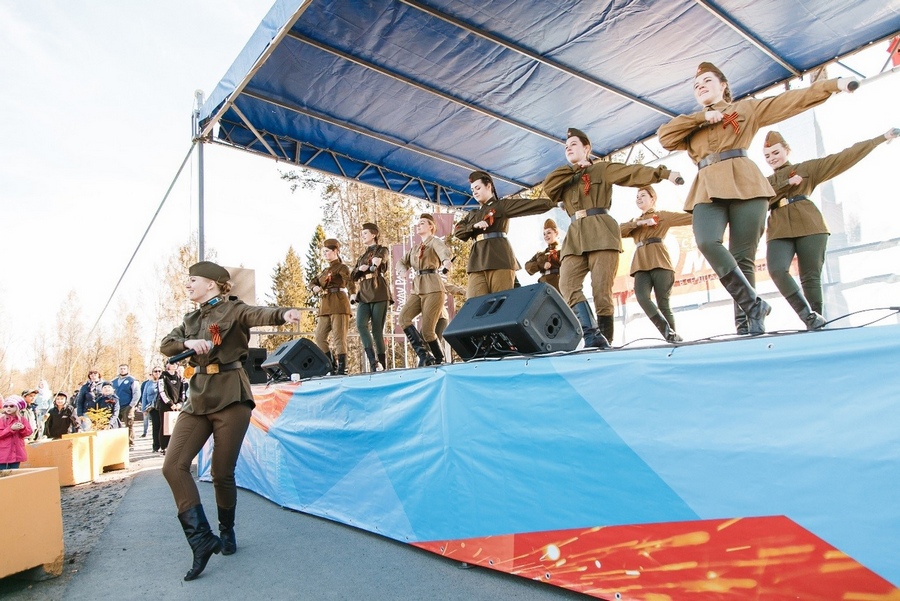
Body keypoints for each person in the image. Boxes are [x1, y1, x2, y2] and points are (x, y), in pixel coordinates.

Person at [657, 62, 857, 335]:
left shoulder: (745, 109)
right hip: (707, 187)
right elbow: (665, 136)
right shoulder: (691, 124)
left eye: (707, 81)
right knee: (706, 241)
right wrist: (703, 118)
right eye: (696, 85)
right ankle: (755, 306)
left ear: (723, 85)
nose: (701, 86)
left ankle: (754, 325)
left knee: (743, 259)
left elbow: (788, 101)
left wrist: (832, 86)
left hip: (746, 184)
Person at [160, 260, 301, 581]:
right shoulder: (190, 319)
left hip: (230, 395)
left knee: (223, 472)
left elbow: (259, 313)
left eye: (192, 280)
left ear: (211, 284)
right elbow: (165, 345)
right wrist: (187, 343)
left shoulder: (233, 310)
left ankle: (226, 531)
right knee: (173, 466)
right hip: (198, 397)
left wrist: (284, 314)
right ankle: (201, 539)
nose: (187, 285)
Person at [543, 127, 682, 348]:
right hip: (575, 236)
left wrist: (663, 174)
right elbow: (548, 187)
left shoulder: (601, 170)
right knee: (567, 285)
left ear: (587, 148)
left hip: (601, 233)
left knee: (601, 292)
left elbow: (630, 173)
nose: (569, 149)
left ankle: (605, 341)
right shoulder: (564, 178)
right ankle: (591, 334)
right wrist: (575, 169)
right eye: (566, 147)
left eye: (574, 145)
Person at [762, 128, 899, 327]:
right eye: (767, 156)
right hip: (777, 227)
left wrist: (881, 138)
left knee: (810, 277)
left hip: (810, 224)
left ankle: (817, 322)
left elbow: (842, 158)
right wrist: (787, 183)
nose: (772, 158)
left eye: (775, 152)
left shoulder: (806, 168)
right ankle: (807, 315)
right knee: (776, 269)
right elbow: (760, 199)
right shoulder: (763, 182)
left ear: (786, 150)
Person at [453, 170, 555, 298]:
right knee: (473, 304)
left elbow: (528, 205)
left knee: (499, 303)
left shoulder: (501, 205)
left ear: (489, 186)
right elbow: (458, 231)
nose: (475, 192)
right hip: (477, 261)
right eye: (473, 190)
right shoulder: (473, 214)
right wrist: (473, 226)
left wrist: (554, 203)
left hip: (499, 258)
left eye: (478, 188)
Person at [620, 185, 693, 342]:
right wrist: (638, 224)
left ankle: (672, 339)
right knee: (642, 297)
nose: (639, 198)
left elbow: (688, 217)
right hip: (640, 265)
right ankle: (668, 333)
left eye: (643, 195)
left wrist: (706, 209)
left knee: (663, 303)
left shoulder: (662, 216)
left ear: (653, 199)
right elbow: (618, 231)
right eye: (637, 196)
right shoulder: (635, 222)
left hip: (660, 262)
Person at [397, 214, 453, 366]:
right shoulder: (415, 249)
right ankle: (424, 355)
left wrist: (446, 262)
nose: (419, 225)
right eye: (418, 223)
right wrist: (402, 271)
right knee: (403, 318)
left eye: (422, 223)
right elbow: (401, 262)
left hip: (433, 287)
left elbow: (444, 253)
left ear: (431, 227)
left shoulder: (435, 242)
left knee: (428, 332)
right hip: (417, 288)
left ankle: (439, 359)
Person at [310, 239, 354, 375]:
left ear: (335, 251)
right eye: (323, 251)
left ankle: (342, 368)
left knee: (339, 337)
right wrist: (314, 287)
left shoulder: (341, 267)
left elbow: (349, 280)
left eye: (327, 251)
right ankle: (330, 365)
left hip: (339, 304)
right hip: (325, 306)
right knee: (319, 336)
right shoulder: (325, 270)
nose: (325, 254)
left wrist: (353, 294)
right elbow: (312, 282)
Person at [350, 223, 391, 372]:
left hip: (378, 288)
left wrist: (372, 265)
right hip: (364, 291)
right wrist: (360, 269)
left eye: (365, 233)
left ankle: (382, 364)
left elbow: (379, 261)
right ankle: (373, 361)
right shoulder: (362, 256)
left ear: (374, 235)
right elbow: (352, 276)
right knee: (360, 324)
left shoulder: (382, 249)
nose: (363, 236)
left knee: (377, 329)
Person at [524, 219, 563, 292]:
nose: (546, 236)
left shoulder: (563, 250)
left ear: (556, 233)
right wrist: (542, 265)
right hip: (543, 286)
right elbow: (527, 266)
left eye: (549, 233)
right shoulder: (540, 254)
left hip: (559, 285)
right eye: (544, 234)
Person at [156, 362, 183, 453]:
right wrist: (170, 403)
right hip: (165, 405)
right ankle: (164, 446)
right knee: (165, 425)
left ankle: (175, 446)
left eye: (176, 364)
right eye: (172, 364)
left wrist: (180, 402)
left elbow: (182, 391)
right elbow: (162, 391)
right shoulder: (163, 377)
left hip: (177, 406)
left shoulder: (179, 377)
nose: (174, 365)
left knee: (177, 426)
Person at [112, 364, 141, 449]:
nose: (122, 370)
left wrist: (132, 404)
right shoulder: (114, 381)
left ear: (127, 370)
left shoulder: (132, 380)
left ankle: (130, 442)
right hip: (116, 406)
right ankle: (118, 442)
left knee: (129, 424)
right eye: (121, 369)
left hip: (128, 405)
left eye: (124, 369)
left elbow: (136, 393)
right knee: (116, 424)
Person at [0, 396, 32, 469]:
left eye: (11, 406)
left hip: (16, 452)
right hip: (3, 454)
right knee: (2, 475)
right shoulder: (1, 420)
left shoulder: (22, 419)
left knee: (15, 474)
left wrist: (23, 428)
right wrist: (10, 429)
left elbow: (29, 432)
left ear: (17, 407)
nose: (8, 408)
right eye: (6, 406)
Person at [140, 368, 161, 439]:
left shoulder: (164, 381)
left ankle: (163, 445)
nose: (157, 373)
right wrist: (143, 409)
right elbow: (144, 396)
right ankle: (155, 446)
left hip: (162, 406)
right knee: (155, 426)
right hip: (152, 407)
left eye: (159, 371)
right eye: (155, 371)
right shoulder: (148, 383)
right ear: (152, 373)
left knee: (163, 426)